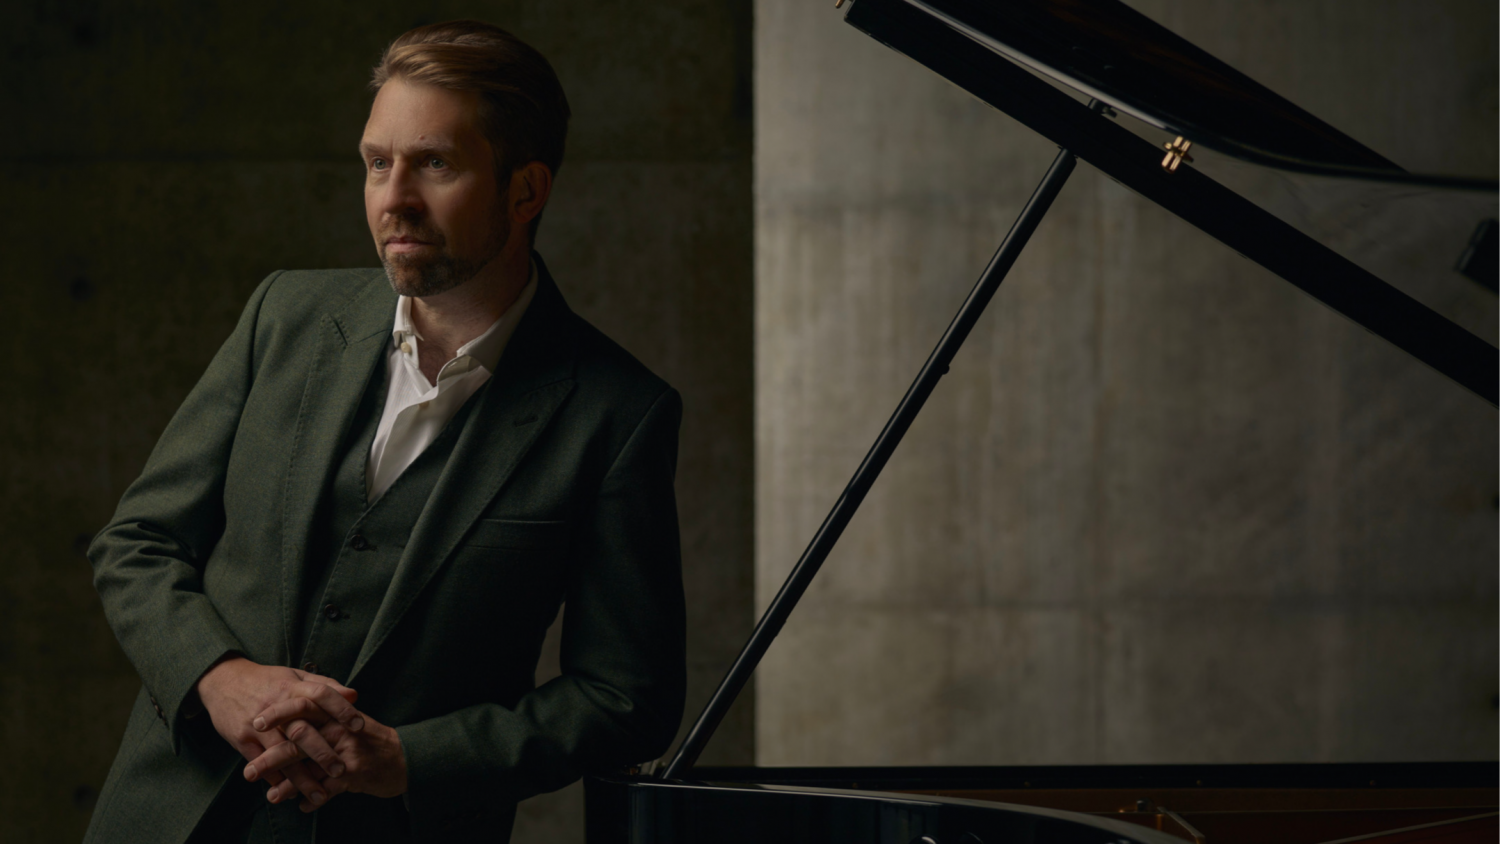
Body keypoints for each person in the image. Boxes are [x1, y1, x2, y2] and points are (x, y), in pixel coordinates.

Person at [84, 20, 686, 843]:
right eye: (377, 163)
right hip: (169, 817)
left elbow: (626, 696)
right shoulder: (283, 317)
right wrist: (218, 679)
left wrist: (412, 758)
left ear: (526, 191)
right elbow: (138, 541)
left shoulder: (615, 413)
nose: (393, 197)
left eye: (434, 163)